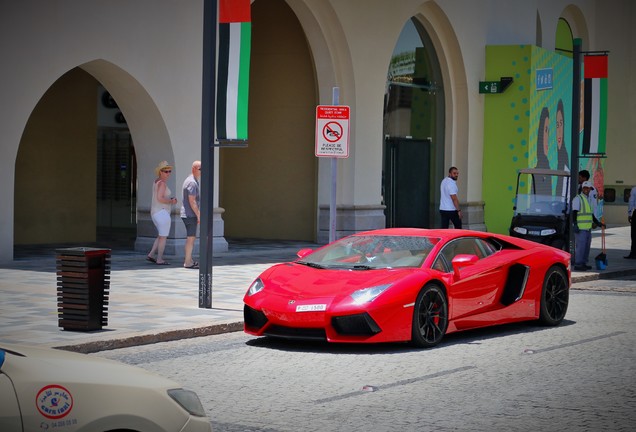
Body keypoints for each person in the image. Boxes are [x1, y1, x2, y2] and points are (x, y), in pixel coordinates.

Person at [147, 161, 177, 265]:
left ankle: (151, 254)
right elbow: (160, 198)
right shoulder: (162, 184)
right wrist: (171, 201)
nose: (168, 173)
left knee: (160, 235)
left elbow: (158, 197)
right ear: (160, 172)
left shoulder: (156, 181)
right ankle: (159, 259)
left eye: (169, 171)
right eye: (166, 171)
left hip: (155, 212)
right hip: (161, 213)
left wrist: (168, 200)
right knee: (163, 237)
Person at [572, 181, 604, 271]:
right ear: (582, 189)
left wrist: (598, 223)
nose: (587, 190)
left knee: (586, 247)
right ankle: (578, 264)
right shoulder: (578, 199)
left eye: (588, 188)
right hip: (580, 229)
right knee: (581, 247)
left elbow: (591, 215)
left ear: (590, 189)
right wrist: (575, 224)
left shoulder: (587, 199)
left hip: (587, 228)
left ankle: (583, 263)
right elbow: (574, 212)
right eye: (585, 188)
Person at [180, 160, 201, 269]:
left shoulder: (190, 180)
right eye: (200, 169)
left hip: (187, 214)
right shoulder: (192, 183)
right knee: (191, 238)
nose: (201, 171)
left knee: (191, 237)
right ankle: (187, 262)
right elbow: (192, 201)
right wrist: (198, 215)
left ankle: (189, 259)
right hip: (190, 214)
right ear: (193, 169)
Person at [534, 107, 552, 196]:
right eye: (545, 130)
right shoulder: (538, 168)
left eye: (548, 131)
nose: (546, 137)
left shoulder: (548, 165)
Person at [555, 99, 570, 195]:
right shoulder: (557, 158)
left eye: (561, 124)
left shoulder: (565, 162)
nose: (559, 130)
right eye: (557, 125)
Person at [625, 185, 636, 259]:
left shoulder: (634, 189)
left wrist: (629, 214)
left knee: (634, 234)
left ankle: (633, 253)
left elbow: (631, 202)